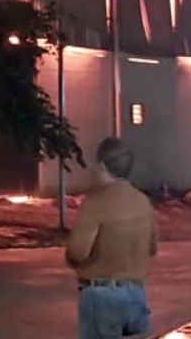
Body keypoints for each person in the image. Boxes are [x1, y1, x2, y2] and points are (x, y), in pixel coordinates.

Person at [66, 137, 159, 339]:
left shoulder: (95, 203)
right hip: (136, 294)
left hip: (101, 296)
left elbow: (77, 252)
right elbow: (152, 247)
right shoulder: (143, 201)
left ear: (101, 167)